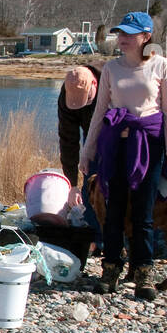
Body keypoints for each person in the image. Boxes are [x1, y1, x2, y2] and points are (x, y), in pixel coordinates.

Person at [79, 12, 167, 301]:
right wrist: (88, 152)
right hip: (116, 145)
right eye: (119, 33)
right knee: (113, 210)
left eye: (128, 34)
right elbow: (100, 112)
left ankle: (143, 272)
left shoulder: (161, 66)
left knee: (142, 213)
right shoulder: (111, 68)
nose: (121, 39)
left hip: (149, 144)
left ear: (145, 37)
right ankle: (110, 268)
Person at [57, 64, 103, 247]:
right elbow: (68, 140)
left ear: (94, 83)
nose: (78, 103)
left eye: (85, 98)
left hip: (113, 135)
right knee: (88, 188)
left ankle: (116, 238)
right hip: (88, 137)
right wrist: (72, 184)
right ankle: (93, 239)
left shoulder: (110, 82)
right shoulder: (66, 94)